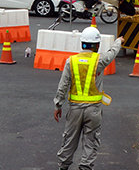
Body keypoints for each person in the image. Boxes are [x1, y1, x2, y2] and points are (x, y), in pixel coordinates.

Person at [53, 26, 123, 170]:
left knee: (69, 140)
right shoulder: (100, 60)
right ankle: (85, 167)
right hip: (94, 111)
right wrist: (118, 41)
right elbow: (112, 53)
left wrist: (58, 105)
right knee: (91, 141)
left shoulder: (71, 61)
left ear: (82, 43)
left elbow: (63, 85)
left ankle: (63, 166)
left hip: (75, 110)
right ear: (97, 45)